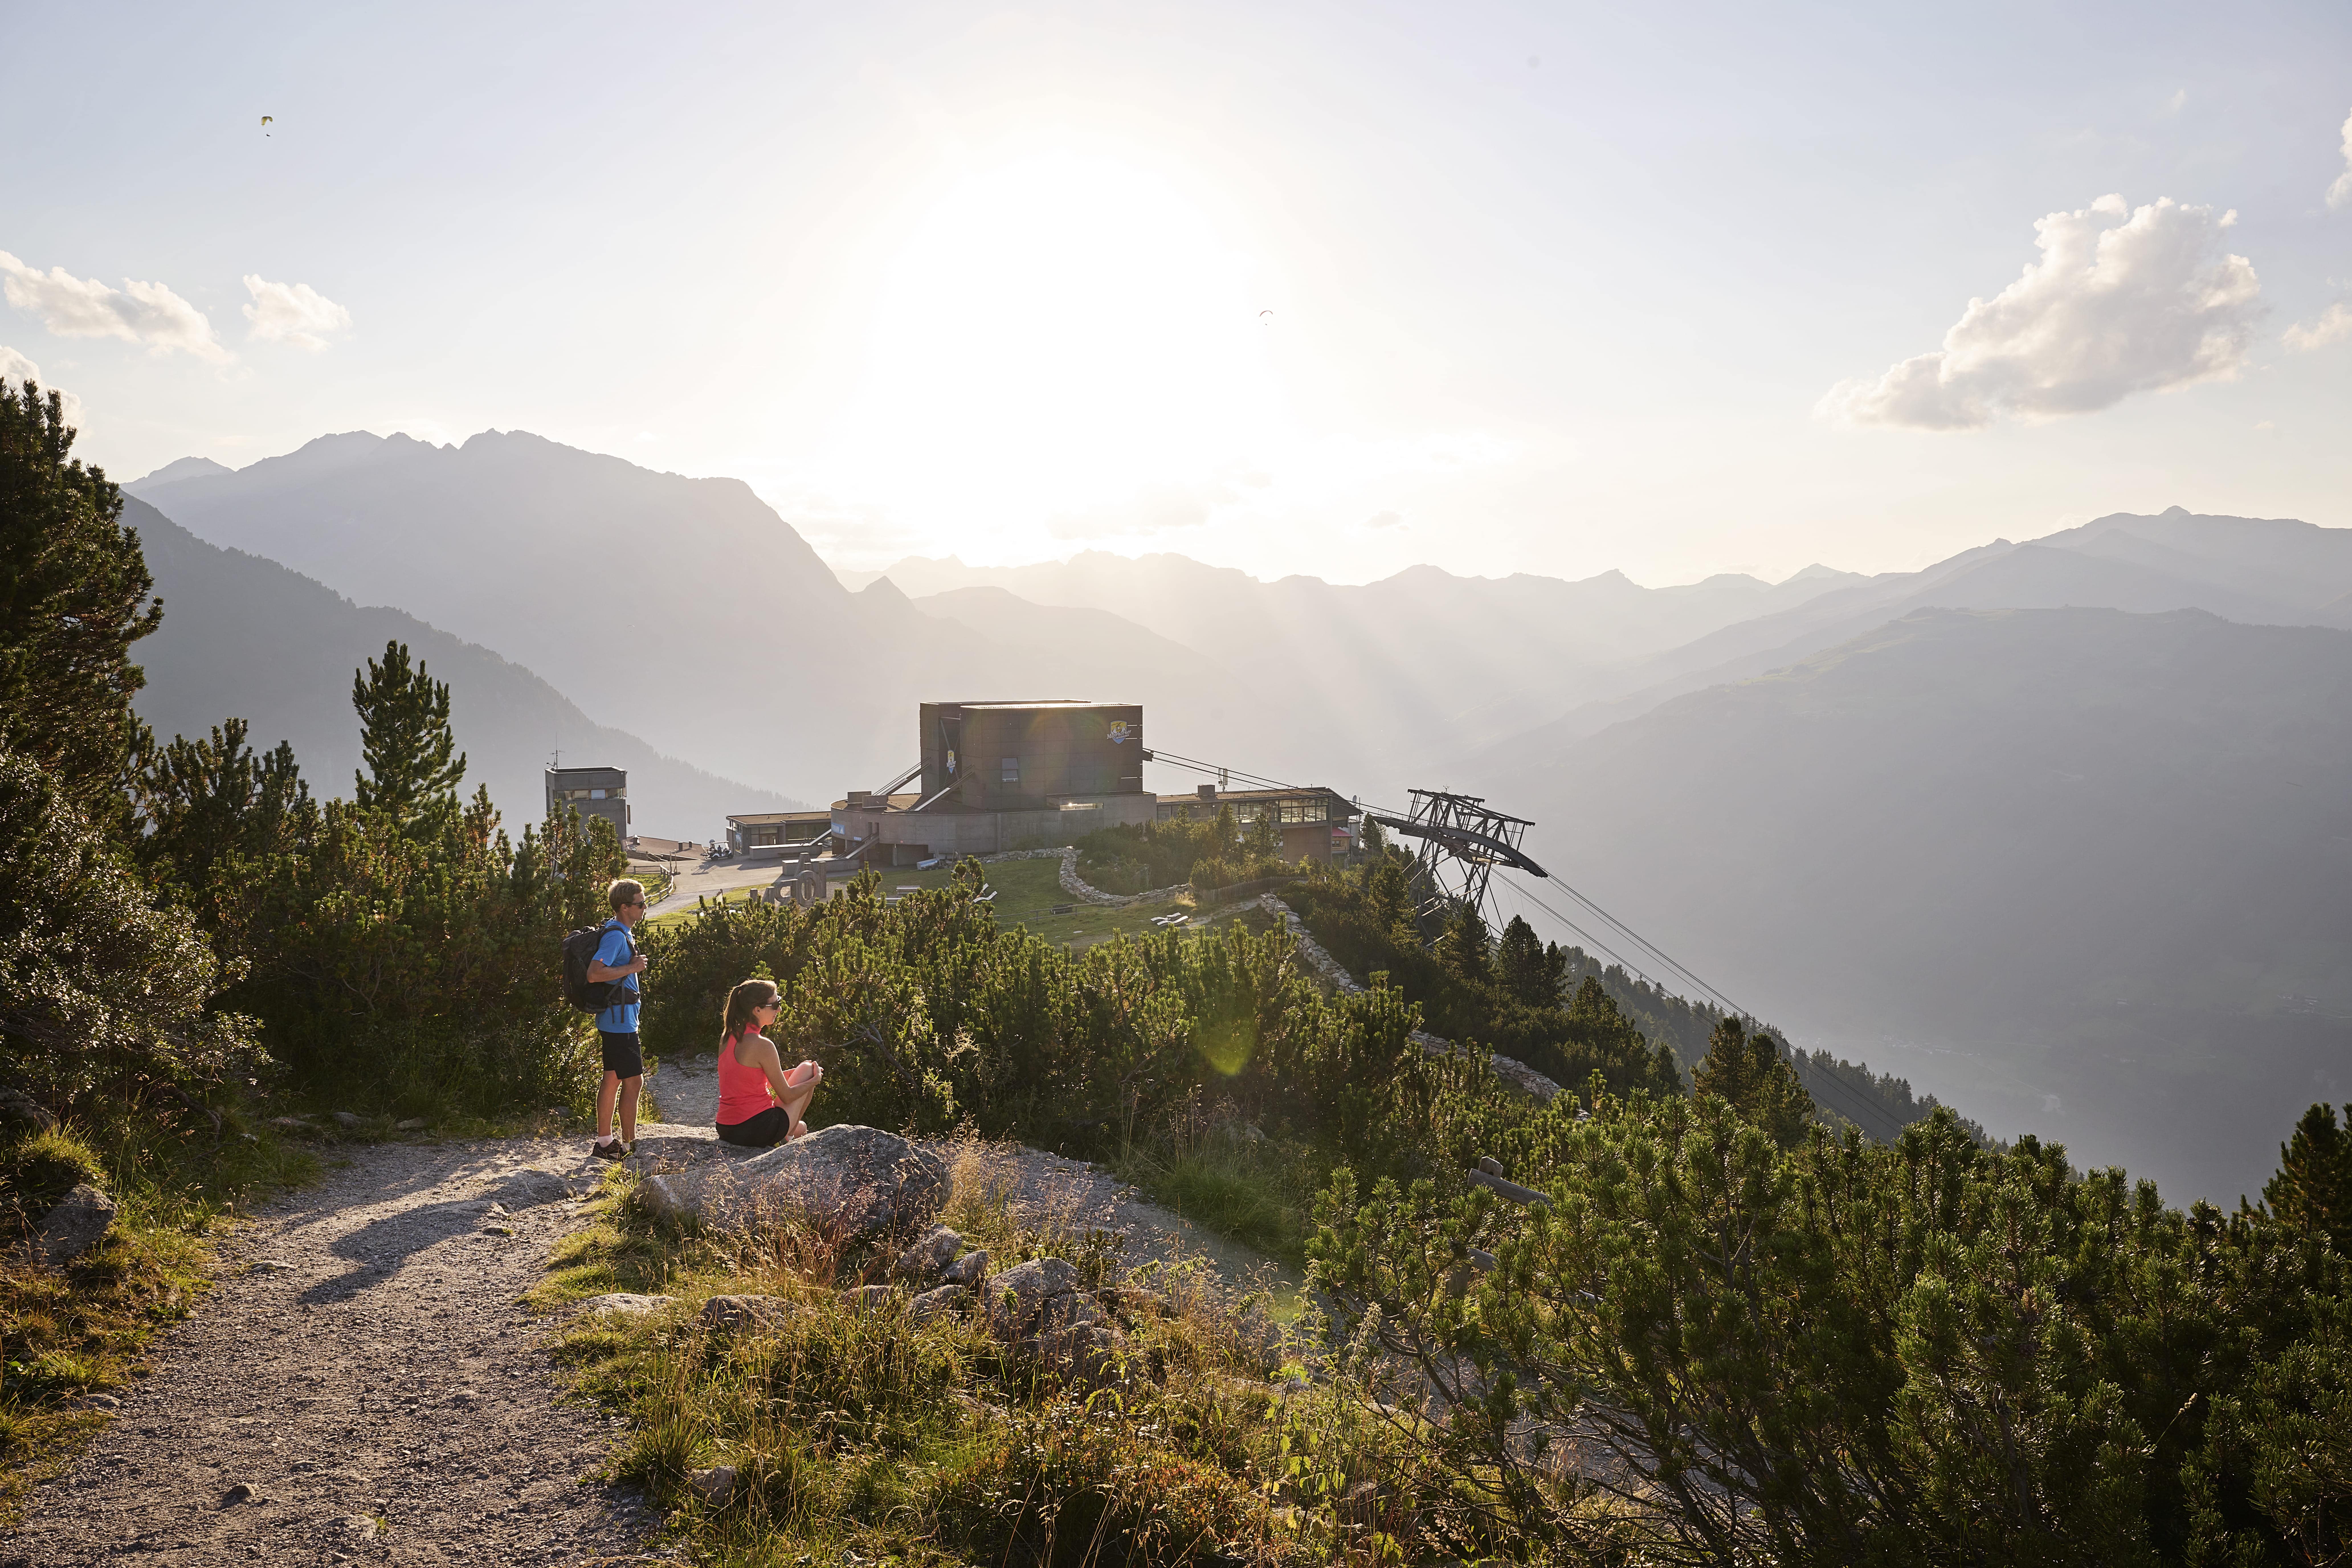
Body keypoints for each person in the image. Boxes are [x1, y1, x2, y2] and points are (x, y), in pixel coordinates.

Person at [713, 978, 822, 1148]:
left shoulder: (727, 1037)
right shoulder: (763, 1045)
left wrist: (785, 1075)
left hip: (727, 1129)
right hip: (757, 1129)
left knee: (803, 1128)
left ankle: (787, 1136)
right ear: (758, 1010)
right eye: (775, 1004)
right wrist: (813, 1081)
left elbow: (743, 1081)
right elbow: (787, 1096)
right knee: (809, 1070)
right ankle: (785, 1139)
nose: (779, 1009)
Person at [586, 878, 651, 1161]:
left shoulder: (621, 931)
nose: (644, 907)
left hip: (615, 1019)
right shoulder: (616, 936)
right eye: (640, 903)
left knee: (612, 1078)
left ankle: (604, 1142)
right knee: (634, 1082)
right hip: (619, 1022)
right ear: (624, 907)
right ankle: (629, 1146)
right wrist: (632, 967)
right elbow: (593, 973)